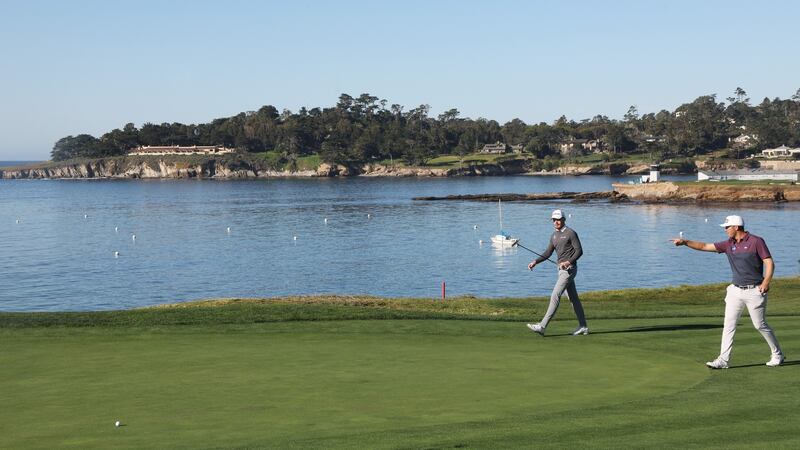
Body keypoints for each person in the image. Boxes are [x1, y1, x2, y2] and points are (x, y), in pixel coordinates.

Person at [671, 215, 784, 369]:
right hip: (735, 291)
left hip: (755, 290)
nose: (725, 230)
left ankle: (777, 354)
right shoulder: (728, 244)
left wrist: (766, 282)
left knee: (759, 325)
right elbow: (704, 246)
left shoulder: (756, 241)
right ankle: (723, 360)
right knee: (729, 325)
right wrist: (685, 242)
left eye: (727, 227)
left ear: (736, 227)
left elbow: (769, 262)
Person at [526, 209, 589, 336]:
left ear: (563, 219)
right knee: (573, 299)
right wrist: (535, 261)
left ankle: (542, 326)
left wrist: (569, 262)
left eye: (558, 219)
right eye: (554, 220)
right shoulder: (554, 235)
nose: (556, 222)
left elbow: (579, 251)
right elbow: (547, 253)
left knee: (555, 295)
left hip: (569, 270)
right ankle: (583, 326)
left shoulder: (571, 233)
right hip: (560, 271)